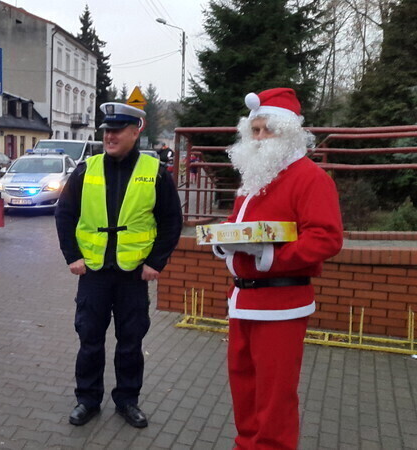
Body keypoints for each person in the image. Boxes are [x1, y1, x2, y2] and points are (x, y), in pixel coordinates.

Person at [211, 88, 343, 449]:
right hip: (242, 300)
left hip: (282, 303)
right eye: (254, 130)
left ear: (289, 132)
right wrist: (222, 243)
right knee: (244, 387)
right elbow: (235, 224)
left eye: (267, 130)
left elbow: (326, 238)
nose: (259, 138)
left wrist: (272, 257)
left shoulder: (311, 178)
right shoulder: (253, 179)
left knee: (274, 398)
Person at [55, 102, 182, 428]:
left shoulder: (155, 173)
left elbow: (171, 221)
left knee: (131, 343)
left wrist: (156, 262)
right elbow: (65, 214)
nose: (109, 136)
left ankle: (127, 400)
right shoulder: (87, 169)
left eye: (117, 130)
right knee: (89, 342)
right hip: (94, 273)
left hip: (133, 276)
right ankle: (87, 400)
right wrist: (73, 256)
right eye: (106, 131)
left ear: (135, 131)